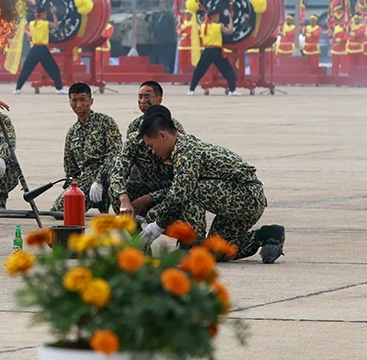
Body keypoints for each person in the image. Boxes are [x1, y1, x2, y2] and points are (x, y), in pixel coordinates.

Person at [137, 105, 285, 263]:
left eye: (151, 146)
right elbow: (179, 188)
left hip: (247, 196)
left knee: (186, 194)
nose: (152, 151)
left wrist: (156, 227)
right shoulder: (182, 146)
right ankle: (267, 235)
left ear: (162, 136)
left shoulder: (186, 152)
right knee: (216, 252)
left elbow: (179, 194)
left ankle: (192, 245)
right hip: (237, 198)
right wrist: (151, 201)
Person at [108, 82, 204, 235]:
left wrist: (149, 198)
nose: (143, 101)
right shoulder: (135, 133)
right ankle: (137, 238)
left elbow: (184, 182)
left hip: (169, 189)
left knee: (187, 198)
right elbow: (118, 170)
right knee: (116, 192)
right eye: (140, 97)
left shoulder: (176, 134)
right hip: (146, 184)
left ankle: (189, 240)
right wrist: (123, 197)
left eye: (148, 97)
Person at [51, 83, 122, 213]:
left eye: (83, 100)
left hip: (107, 174)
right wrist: (71, 188)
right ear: (70, 102)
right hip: (86, 178)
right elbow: (70, 167)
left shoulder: (106, 122)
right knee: (59, 210)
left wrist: (99, 180)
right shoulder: (73, 132)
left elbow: (115, 153)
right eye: (74, 100)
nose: (79, 105)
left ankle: (106, 200)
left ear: (91, 101)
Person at [187, 9, 239, 96]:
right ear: (213, 17)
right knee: (228, 71)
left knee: (199, 71)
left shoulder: (203, 26)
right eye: (217, 16)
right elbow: (229, 31)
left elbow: (203, 20)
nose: (219, 17)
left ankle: (191, 90)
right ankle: (232, 90)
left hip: (207, 52)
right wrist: (230, 18)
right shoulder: (218, 26)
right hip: (216, 52)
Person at [13, 6, 63, 95]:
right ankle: (59, 89)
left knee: (26, 69)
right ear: (43, 15)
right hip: (43, 49)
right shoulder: (45, 23)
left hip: (34, 49)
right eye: (45, 14)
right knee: (54, 69)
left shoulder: (32, 24)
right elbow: (56, 25)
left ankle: (18, 89)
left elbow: (26, 30)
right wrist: (54, 13)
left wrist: (30, 35)